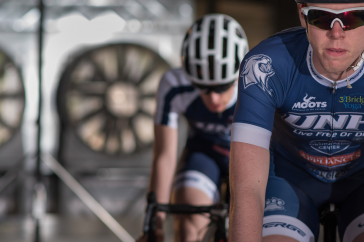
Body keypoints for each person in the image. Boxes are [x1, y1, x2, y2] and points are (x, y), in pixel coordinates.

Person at [230, 0, 364, 241]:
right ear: (303, 17)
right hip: (290, 179)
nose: (336, 33)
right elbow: (247, 188)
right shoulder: (265, 66)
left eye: (353, 18)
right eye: (321, 18)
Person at [138, 14, 248, 241]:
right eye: (204, 88)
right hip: (204, 152)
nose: (214, 98)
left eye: (223, 87)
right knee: (187, 222)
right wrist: (155, 223)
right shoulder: (174, 85)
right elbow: (164, 156)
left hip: (249, 156)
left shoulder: (257, 83)